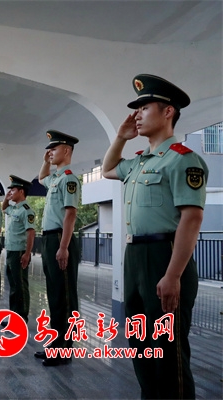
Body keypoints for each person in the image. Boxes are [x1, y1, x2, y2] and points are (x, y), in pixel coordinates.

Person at [101, 74, 208, 398]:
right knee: (141, 342)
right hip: (135, 257)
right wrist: (120, 137)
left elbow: (192, 218)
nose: (137, 114)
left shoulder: (182, 159)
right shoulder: (137, 163)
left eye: (144, 107)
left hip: (165, 255)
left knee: (168, 348)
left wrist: (173, 275)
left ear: (168, 112)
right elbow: (107, 169)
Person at [35, 129, 80, 367]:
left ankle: (64, 350)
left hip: (62, 239)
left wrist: (64, 247)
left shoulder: (69, 179)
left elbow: (70, 214)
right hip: (50, 239)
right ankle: (55, 345)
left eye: (53, 149)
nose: (50, 152)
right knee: (54, 294)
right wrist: (45, 162)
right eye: (49, 150)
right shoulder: (55, 178)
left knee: (65, 297)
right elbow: (41, 178)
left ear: (67, 150)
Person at [2, 175, 35, 322]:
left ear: (21, 191)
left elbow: (31, 233)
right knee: (14, 285)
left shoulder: (26, 211)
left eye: (13, 190)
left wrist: (27, 254)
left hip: (19, 252)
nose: (10, 192)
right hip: (11, 250)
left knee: (20, 285)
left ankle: (21, 317)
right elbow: (4, 208)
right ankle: (14, 315)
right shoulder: (15, 208)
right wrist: (6, 198)